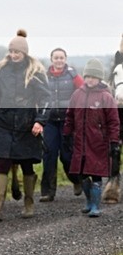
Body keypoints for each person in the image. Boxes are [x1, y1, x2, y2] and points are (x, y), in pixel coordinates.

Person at [0, 29, 50, 220]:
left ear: (24, 53)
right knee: (2, 163)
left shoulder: (35, 72)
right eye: (11, 52)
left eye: (17, 52)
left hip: (26, 126)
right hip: (3, 124)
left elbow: (46, 98)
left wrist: (40, 121)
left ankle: (28, 205)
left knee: (27, 165)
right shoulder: (1, 71)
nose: (13, 55)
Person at [63, 59, 120, 217]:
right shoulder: (77, 95)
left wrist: (114, 142)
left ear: (99, 78)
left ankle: (95, 205)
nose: (90, 80)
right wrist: (67, 134)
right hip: (80, 142)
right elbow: (70, 116)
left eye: (93, 77)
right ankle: (88, 201)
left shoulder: (106, 97)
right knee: (81, 174)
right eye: (88, 76)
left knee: (95, 174)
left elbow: (114, 122)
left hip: (98, 143)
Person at [40, 48, 84, 201]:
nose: (59, 60)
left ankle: (76, 180)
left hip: (67, 121)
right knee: (49, 155)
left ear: (65, 59)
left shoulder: (73, 75)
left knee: (67, 156)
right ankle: (47, 191)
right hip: (50, 121)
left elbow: (84, 92)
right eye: (56, 58)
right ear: (51, 59)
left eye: (61, 58)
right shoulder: (44, 77)